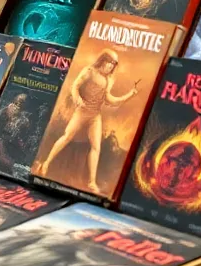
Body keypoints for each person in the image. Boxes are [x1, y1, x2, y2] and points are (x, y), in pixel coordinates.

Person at [32, 50, 138, 195]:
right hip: (82, 111)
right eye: (110, 62)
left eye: (114, 64)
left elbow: (110, 100)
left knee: (96, 147)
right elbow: (75, 86)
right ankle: (46, 164)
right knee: (67, 137)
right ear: (103, 60)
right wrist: (78, 99)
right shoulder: (89, 71)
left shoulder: (108, 80)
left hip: (95, 116)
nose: (111, 66)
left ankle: (91, 182)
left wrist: (129, 95)